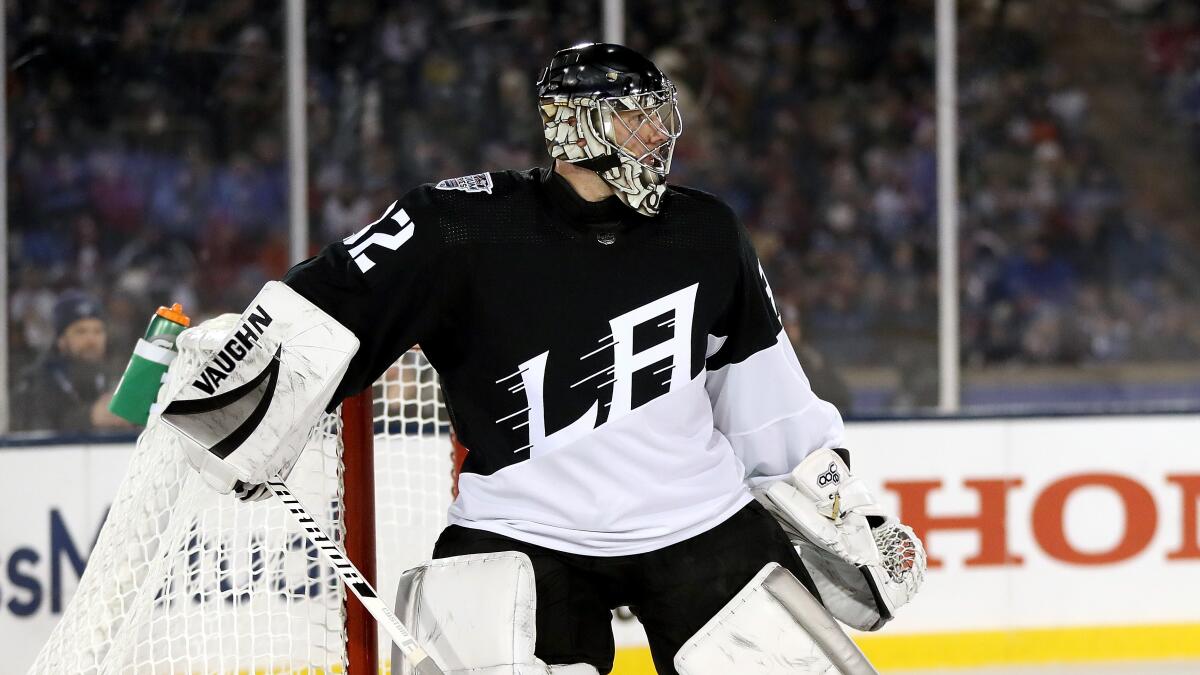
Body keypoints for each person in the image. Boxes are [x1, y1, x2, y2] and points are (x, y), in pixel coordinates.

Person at [166, 44, 922, 675]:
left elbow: (762, 385)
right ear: (578, 127)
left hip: (696, 519)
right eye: (636, 114)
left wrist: (830, 501)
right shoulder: (462, 228)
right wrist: (246, 375)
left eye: (659, 112)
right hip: (527, 527)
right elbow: (336, 296)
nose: (659, 132)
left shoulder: (705, 231)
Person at [13, 290, 131, 433]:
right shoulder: (35, 380)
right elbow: (31, 431)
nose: (91, 340)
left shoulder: (115, 375)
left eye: (98, 331)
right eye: (80, 331)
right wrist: (89, 416)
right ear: (61, 340)